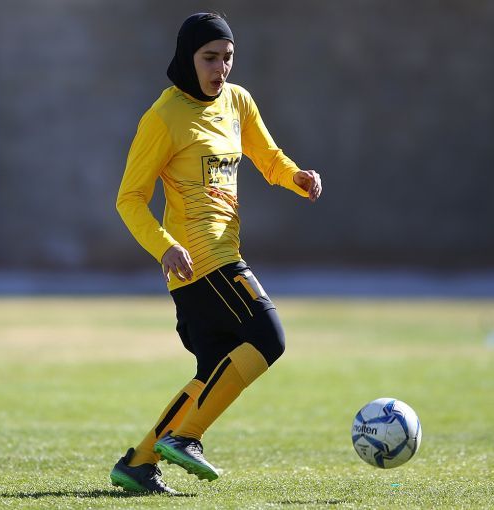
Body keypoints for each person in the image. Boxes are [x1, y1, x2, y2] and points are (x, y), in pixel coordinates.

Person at [109, 12, 322, 495]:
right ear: (187, 58)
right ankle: (186, 437)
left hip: (219, 256)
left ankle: (138, 463)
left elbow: (269, 159)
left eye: (227, 57)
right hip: (200, 261)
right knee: (268, 336)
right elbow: (129, 198)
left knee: (212, 371)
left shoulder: (237, 101)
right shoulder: (163, 117)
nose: (220, 68)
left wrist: (297, 178)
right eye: (209, 58)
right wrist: (164, 246)